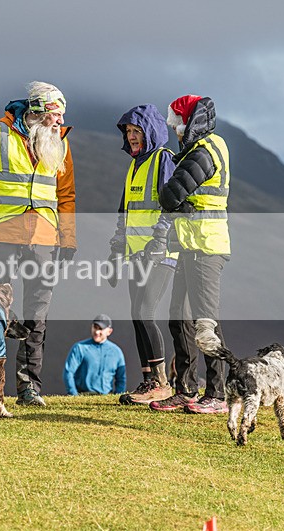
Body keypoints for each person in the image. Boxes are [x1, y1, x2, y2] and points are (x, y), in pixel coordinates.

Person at [0, 81, 76, 406]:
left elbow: (66, 195)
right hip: (2, 237)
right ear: (37, 112)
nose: (59, 122)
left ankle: (29, 388)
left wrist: (68, 240)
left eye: (62, 116)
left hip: (44, 242)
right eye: (54, 115)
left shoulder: (60, 142)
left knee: (37, 316)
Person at [148, 95, 230, 414]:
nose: (175, 131)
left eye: (178, 123)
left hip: (206, 248)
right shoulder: (197, 151)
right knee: (179, 319)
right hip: (188, 247)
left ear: (191, 122)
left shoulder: (208, 149)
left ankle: (218, 394)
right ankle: (185, 389)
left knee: (205, 322)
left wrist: (173, 201)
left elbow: (170, 195)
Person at [108, 104, 177, 405]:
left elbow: (171, 206)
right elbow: (125, 213)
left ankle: (162, 383)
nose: (132, 137)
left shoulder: (164, 160)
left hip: (160, 255)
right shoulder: (134, 166)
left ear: (149, 132)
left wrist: (159, 242)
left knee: (145, 312)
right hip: (136, 255)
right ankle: (149, 380)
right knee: (137, 315)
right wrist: (115, 251)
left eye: (136, 131)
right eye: (129, 132)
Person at [62, 314, 126, 396]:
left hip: (106, 397)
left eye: (101, 329)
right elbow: (69, 372)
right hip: (84, 395)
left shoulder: (116, 351)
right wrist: (74, 395)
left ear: (109, 331)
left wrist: (117, 398)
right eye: (95, 327)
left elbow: (121, 379)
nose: (97, 332)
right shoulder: (80, 348)